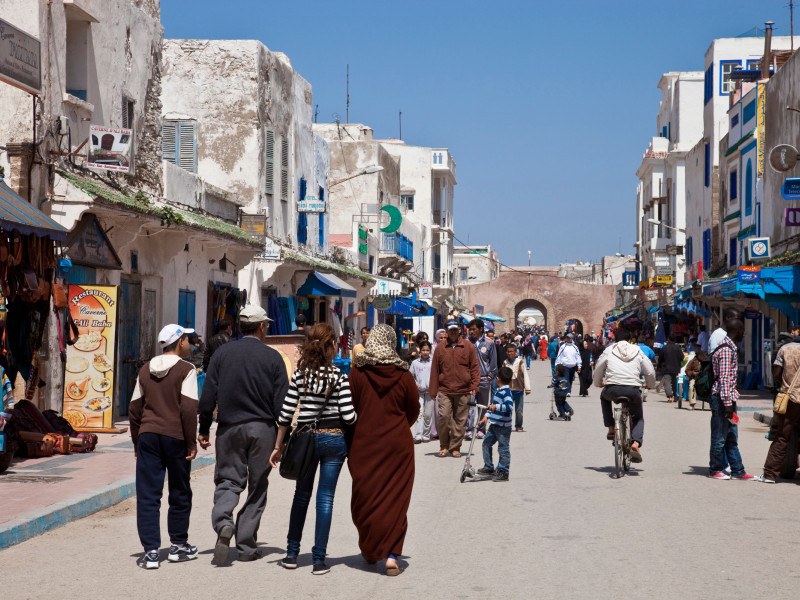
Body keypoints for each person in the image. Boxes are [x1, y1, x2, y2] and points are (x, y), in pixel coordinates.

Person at [198, 305, 290, 565]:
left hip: (229, 428)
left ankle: (224, 522)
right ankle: (248, 547)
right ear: (261, 327)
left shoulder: (222, 353)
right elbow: (282, 404)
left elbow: (207, 398)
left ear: (240, 326)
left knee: (228, 480)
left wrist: (204, 429)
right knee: (257, 486)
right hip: (263, 430)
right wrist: (282, 440)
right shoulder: (273, 357)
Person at [270, 324, 356, 575]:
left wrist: (278, 446)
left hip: (304, 441)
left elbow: (286, 414)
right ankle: (319, 560)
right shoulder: (339, 376)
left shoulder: (300, 376)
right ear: (330, 347)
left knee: (301, 496)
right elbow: (349, 417)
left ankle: (291, 554)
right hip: (333, 441)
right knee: (325, 499)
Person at [348, 324, 419, 575]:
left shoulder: (357, 373)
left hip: (364, 444)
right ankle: (390, 556)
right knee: (396, 499)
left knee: (364, 498)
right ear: (391, 342)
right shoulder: (404, 374)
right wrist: (398, 427)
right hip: (397, 446)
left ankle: (370, 549)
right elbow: (413, 410)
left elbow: (350, 408)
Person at [129, 324, 200, 569]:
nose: (190, 344)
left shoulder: (144, 370)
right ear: (179, 342)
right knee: (180, 492)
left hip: (148, 436)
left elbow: (134, 409)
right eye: (188, 339)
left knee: (148, 495)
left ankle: (150, 553)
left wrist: (137, 442)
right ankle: (178, 546)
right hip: (176, 437)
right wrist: (191, 442)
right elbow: (189, 409)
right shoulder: (186, 369)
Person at [592, 327, 655, 463]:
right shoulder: (637, 351)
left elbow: (598, 369)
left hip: (612, 388)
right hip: (632, 390)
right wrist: (650, 385)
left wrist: (598, 383)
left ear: (615, 339)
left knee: (604, 397)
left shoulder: (609, 350)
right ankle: (635, 443)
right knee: (638, 417)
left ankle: (610, 429)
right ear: (629, 340)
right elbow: (649, 371)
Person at [708, 316, 754, 480]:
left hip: (726, 398)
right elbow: (725, 380)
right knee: (720, 437)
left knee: (731, 437)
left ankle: (737, 470)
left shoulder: (728, 347)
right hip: (722, 399)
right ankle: (715, 469)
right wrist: (728, 405)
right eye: (743, 330)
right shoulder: (727, 350)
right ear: (738, 331)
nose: (744, 334)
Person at [430, 319, 480, 457]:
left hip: (463, 390)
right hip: (445, 390)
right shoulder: (440, 348)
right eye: (450, 329)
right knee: (444, 417)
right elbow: (435, 369)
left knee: (460, 421)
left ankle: (455, 446)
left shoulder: (468, 346)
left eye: (455, 329)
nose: (453, 331)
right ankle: (444, 445)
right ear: (446, 330)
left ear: (459, 330)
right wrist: (433, 390)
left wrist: (475, 384)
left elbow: (474, 367)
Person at [758, 327, 800, 483]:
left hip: (791, 399)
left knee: (782, 436)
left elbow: (776, 374)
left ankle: (769, 475)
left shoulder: (785, 348)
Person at [476, 366, 514, 481]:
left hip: (503, 427)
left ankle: (503, 471)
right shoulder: (498, 391)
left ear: (498, 379)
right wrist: (486, 417)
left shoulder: (506, 393)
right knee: (486, 443)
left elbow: (509, 407)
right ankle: (488, 467)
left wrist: (496, 407)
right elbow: (491, 406)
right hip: (494, 424)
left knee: (503, 449)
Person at [466, 319, 497, 440]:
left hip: (484, 379)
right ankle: (468, 430)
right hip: (469, 380)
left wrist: (490, 376)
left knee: (483, 406)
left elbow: (493, 362)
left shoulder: (489, 343)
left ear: (480, 329)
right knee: (469, 405)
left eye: (473, 329)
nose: (471, 331)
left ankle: (481, 429)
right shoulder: (467, 342)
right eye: (470, 329)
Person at [410, 341, 434, 443]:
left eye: (427, 350)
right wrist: (415, 383)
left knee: (428, 414)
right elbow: (410, 376)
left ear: (430, 351)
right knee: (419, 413)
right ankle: (418, 435)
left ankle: (426, 434)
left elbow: (437, 375)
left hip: (430, 392)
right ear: (420, 350)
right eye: (423, 350)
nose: (425, 352)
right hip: (419, 392)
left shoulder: (433, 362)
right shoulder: (415, 363)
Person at [503, 343, 530, 432]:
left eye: (511, 351)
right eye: (508, 352)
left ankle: (518, 425)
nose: (510, 353)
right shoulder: (505, 362)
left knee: (519, 410)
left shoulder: (520, 362)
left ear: (515, 352)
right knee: (507, 409)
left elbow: (525, 374)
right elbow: (502, 375)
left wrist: (527, 387)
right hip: (508, 390)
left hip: (518, 389)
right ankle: (507, 425)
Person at [659, 334, 684, 403]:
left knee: (667, 382)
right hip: (675, 368)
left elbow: (660, 358)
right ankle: (675, 396)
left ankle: (670, 397)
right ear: (675, 340)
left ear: (668, 339)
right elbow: (682, 357)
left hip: (666, 368)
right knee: (674, 382)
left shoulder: (664, 348)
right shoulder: (678, 348)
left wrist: (659, 366)